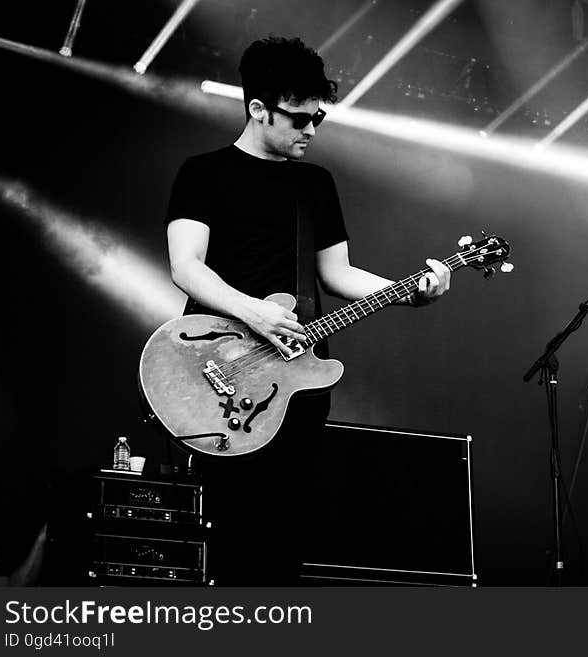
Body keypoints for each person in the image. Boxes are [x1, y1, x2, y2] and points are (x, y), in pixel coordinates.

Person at [164, 36, 451, 585]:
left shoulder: (315, 184)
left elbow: (338, 274)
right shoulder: (204, 173)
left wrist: (410, 289)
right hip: (222, 374)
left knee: (285, 534)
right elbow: (187, 266)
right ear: (257, 108)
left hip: (297, 379)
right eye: (298, 119)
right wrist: (255, 313)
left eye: (317, 117)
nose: (311, 130)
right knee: (227, 535)